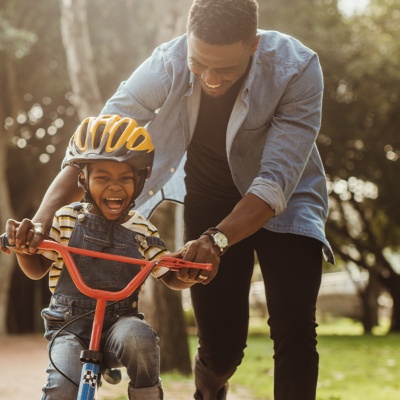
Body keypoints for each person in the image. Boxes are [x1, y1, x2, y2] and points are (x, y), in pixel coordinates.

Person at [3, 1, 335, 399]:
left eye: (225, 69)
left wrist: (217, 240)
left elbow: (274, 183)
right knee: (222, 347)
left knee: (295, 327)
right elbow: (99, 145)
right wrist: (41, 221)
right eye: (200, 64)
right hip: (211, 196)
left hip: (289, 198)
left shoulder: (296, 68)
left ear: (253, 46)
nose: (211, 80)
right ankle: (210, 387)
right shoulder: (168, 62)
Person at [3, 115, 207, 400]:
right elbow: (37, 268)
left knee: (140, 338)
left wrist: (185, 274)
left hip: (119, 325)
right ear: (83, 180)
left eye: (125, 178)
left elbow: (168, 272)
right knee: (62, 387)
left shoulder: (142, 228)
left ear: (139, 180)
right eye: (102, 178)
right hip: (69, 326)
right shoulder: (66, 218)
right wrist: (25, 250)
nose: (114, 187)